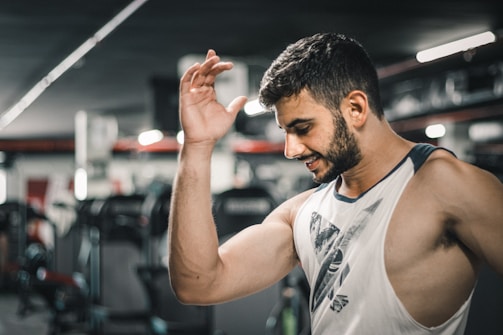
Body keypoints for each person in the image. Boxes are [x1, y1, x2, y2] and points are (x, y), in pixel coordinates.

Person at [167, 33, 503, 334]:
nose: (290, 149)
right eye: (286, 131)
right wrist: (197, 147)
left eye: (303, 127)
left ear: (356, 108)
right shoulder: (303, 212)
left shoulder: (447, 186)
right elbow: (198, 284)